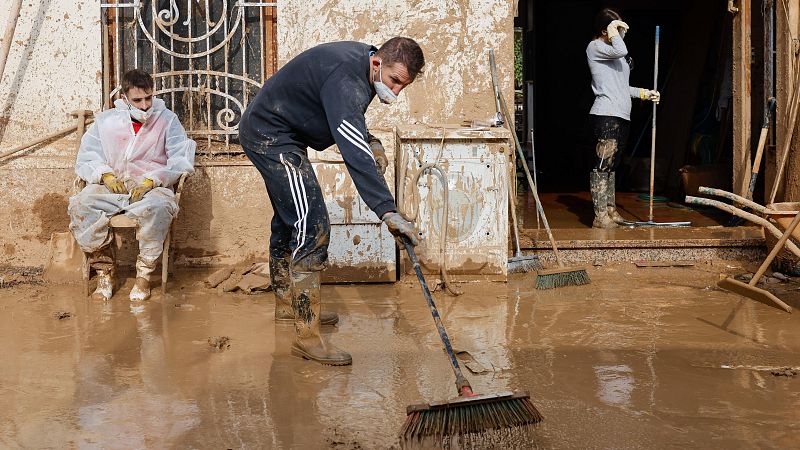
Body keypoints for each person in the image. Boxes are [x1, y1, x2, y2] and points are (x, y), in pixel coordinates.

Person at [239, 37, 424, 366]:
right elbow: (353, 150)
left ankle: (288, 304)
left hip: (285, 132)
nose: (395, 93)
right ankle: (306, 336)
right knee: (312, 225)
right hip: (270, 135)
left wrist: (371, 140)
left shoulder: (364, 66)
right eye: (395, 82)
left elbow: (347, 117)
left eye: (402, 87)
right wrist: (388, 211)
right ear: (378, 64)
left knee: (290, 218)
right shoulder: (346, 78)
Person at [68, 69, 196, 301]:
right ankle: (105, 272)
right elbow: (87, 157)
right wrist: (105, 175)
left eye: (149, 98)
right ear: (125, 97)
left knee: (158, 208)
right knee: (81, 205)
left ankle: (144, 276)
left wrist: (152, 180)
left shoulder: (167, 120)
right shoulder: (106, 122)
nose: (145, 105)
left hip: (151, 187)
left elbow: (181, 159)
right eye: (138, 100)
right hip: (112, 186)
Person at [586, 8, 661, 228]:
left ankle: (611, 210)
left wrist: (643, 93)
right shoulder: (595, 47)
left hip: (621, 114)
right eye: (615, 28)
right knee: (602, 165)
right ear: (604, 30)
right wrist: (614, 32)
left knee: (612, 166)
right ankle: (600, 216)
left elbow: (621, 87)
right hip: (605, 115)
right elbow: (621, 49)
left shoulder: (617, 56)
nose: (620, 32)